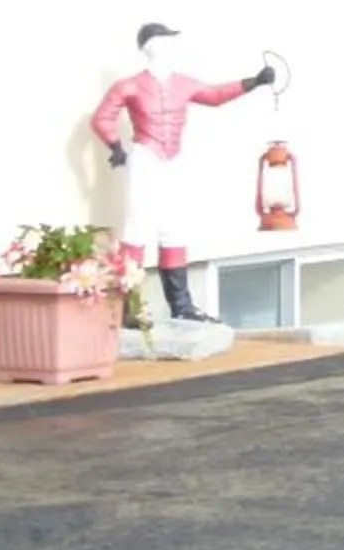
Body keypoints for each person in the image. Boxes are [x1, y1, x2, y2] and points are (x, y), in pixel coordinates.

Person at [88, 23, 276, 325]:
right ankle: (129, 307)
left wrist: (253, 82)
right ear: (152, 46)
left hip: (174, 159)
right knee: (137, 228)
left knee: (174, 227)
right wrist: (115, 147)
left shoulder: (182, 84)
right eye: (166, 41)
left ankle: (182, 305)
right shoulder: (130, 85)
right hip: (146, 156)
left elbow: (214, 95)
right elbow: (102, 118)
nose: (172, 47)